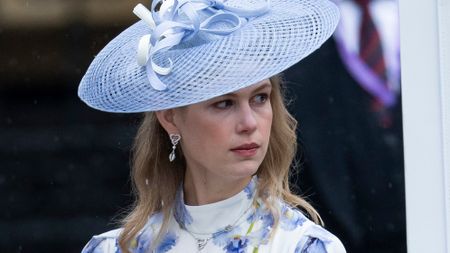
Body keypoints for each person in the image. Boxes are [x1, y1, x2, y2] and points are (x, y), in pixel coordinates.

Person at [78, 0, 346, 252]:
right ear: (169, 117)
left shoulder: (303, 246)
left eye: (260, 98)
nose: (249, 123)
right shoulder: (115, 248)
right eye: (224, 103)